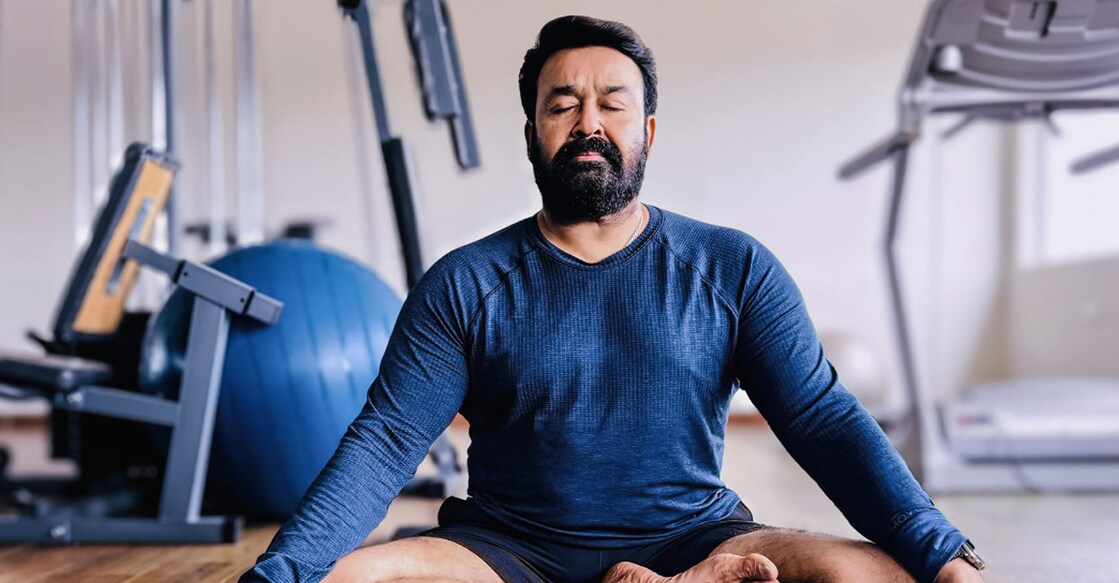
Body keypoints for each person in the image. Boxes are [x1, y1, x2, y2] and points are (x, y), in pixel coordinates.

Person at [241, 15, 985, 583]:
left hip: (696, 541)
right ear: (532, 133)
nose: (588, 123)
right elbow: (384, 443)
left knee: (873, 575)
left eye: (612, 104)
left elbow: (822, 420)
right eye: (562, 105)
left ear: (647, 131)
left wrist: (942, 552)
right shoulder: (465, 282)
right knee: (353, 578)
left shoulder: (732, 267)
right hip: (503, 551)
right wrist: (279, 573)